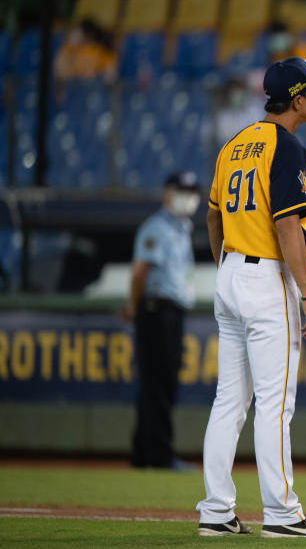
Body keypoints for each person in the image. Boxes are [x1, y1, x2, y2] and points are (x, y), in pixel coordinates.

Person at [196, 57, 306, 538]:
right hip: (266, 278)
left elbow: (212, 217)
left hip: (230, 272)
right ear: (296, 99)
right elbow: (287, 224)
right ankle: (281, 514)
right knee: (276, 404)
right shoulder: (287, 146)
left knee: (228, 402)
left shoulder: (233, 144)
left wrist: (226, 270)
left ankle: (216, 511)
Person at [123, 171, 200, 470]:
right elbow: (140, 270)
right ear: (166, 193)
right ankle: (158, 454)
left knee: (158, 382)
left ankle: (144, 453)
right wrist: (134, 305)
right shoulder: (157, 227)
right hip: (157, 309)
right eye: (182, 190)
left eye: (192, 190)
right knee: (159, 383)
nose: (189, 196)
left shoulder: (180, 228)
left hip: (170, 309)